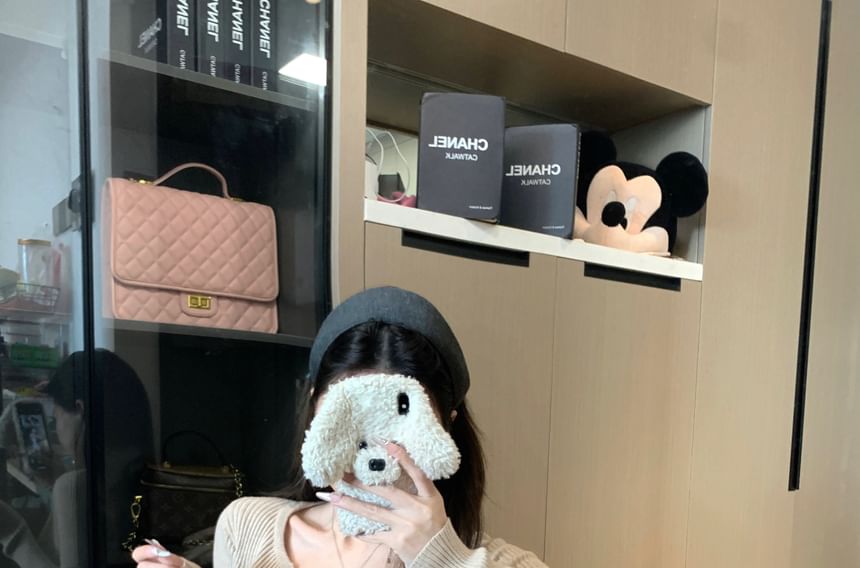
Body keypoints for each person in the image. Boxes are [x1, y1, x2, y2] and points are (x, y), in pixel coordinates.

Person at [132, 287, 548, 568]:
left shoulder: (504, 563)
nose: (376, 448)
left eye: (397, 420)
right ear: (316, 410)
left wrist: (443, 560)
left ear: (445, 426)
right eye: (350, 415)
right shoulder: (248, 526)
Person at [0, 349, 154, 568]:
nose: (56, 430)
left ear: (80, 410)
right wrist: (52, 485)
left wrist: (12, 532)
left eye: (55, 418)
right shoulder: (142, 473)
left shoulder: (75, 487)